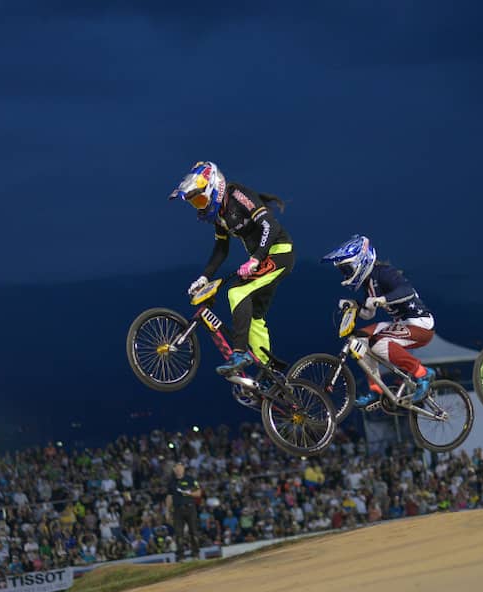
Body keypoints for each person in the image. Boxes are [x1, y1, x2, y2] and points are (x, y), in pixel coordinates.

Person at [169, 161, 295, 374]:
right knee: (254, 318)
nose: (200, 206)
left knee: (237, 292)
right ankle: (271, 374)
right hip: (265, 258)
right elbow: (221, 249)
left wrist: (255, 259)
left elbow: (270, 225)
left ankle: (239, 353)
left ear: (214, 188)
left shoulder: (237, 195)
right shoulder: (220, 216)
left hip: (279, 252)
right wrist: (204, 277)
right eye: (195, 204)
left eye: (200, 200)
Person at [322, 235, 435, 408]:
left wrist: (383, 299)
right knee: (360, 339)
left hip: (420, 324)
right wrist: (355, 306)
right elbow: (369, 314)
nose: (346, 274)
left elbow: (407, 291)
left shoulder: (384, 273)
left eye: (347, 269)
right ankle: (376, 390)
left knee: (378, 343)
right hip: (403, 324)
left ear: (361, 261)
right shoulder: (369, 282)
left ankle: (422, 373)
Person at [166, 462, 201, 561]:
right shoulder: (171, 482)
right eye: (176, 468)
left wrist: (189, 493)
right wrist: (167, 511)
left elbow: (198, 493)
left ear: (183, 469)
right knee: (178, 534)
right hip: (177, 510)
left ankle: (196, 554)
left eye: (180, 468)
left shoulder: (190, 479)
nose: (178, 470)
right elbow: (169, 497)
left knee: (193, 532)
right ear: (173, 470)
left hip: (190, 508)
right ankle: (181, 556)